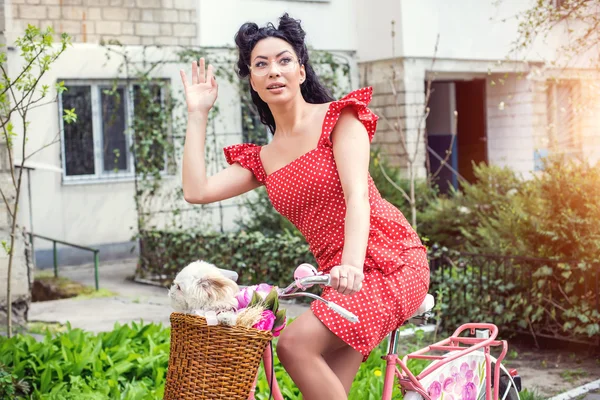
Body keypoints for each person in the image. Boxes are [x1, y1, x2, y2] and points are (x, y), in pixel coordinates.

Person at [180, 13, 430, 400]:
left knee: (294, 345)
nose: (273, 71)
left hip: (388, 262)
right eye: (260, 65)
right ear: (252, 81)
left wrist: (350, 264)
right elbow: (196, 190)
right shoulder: (262, 159)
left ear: (300, 69)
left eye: (283, 60)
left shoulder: (339, 118)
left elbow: (357, 198)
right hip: (338, 280)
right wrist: (197, 113)